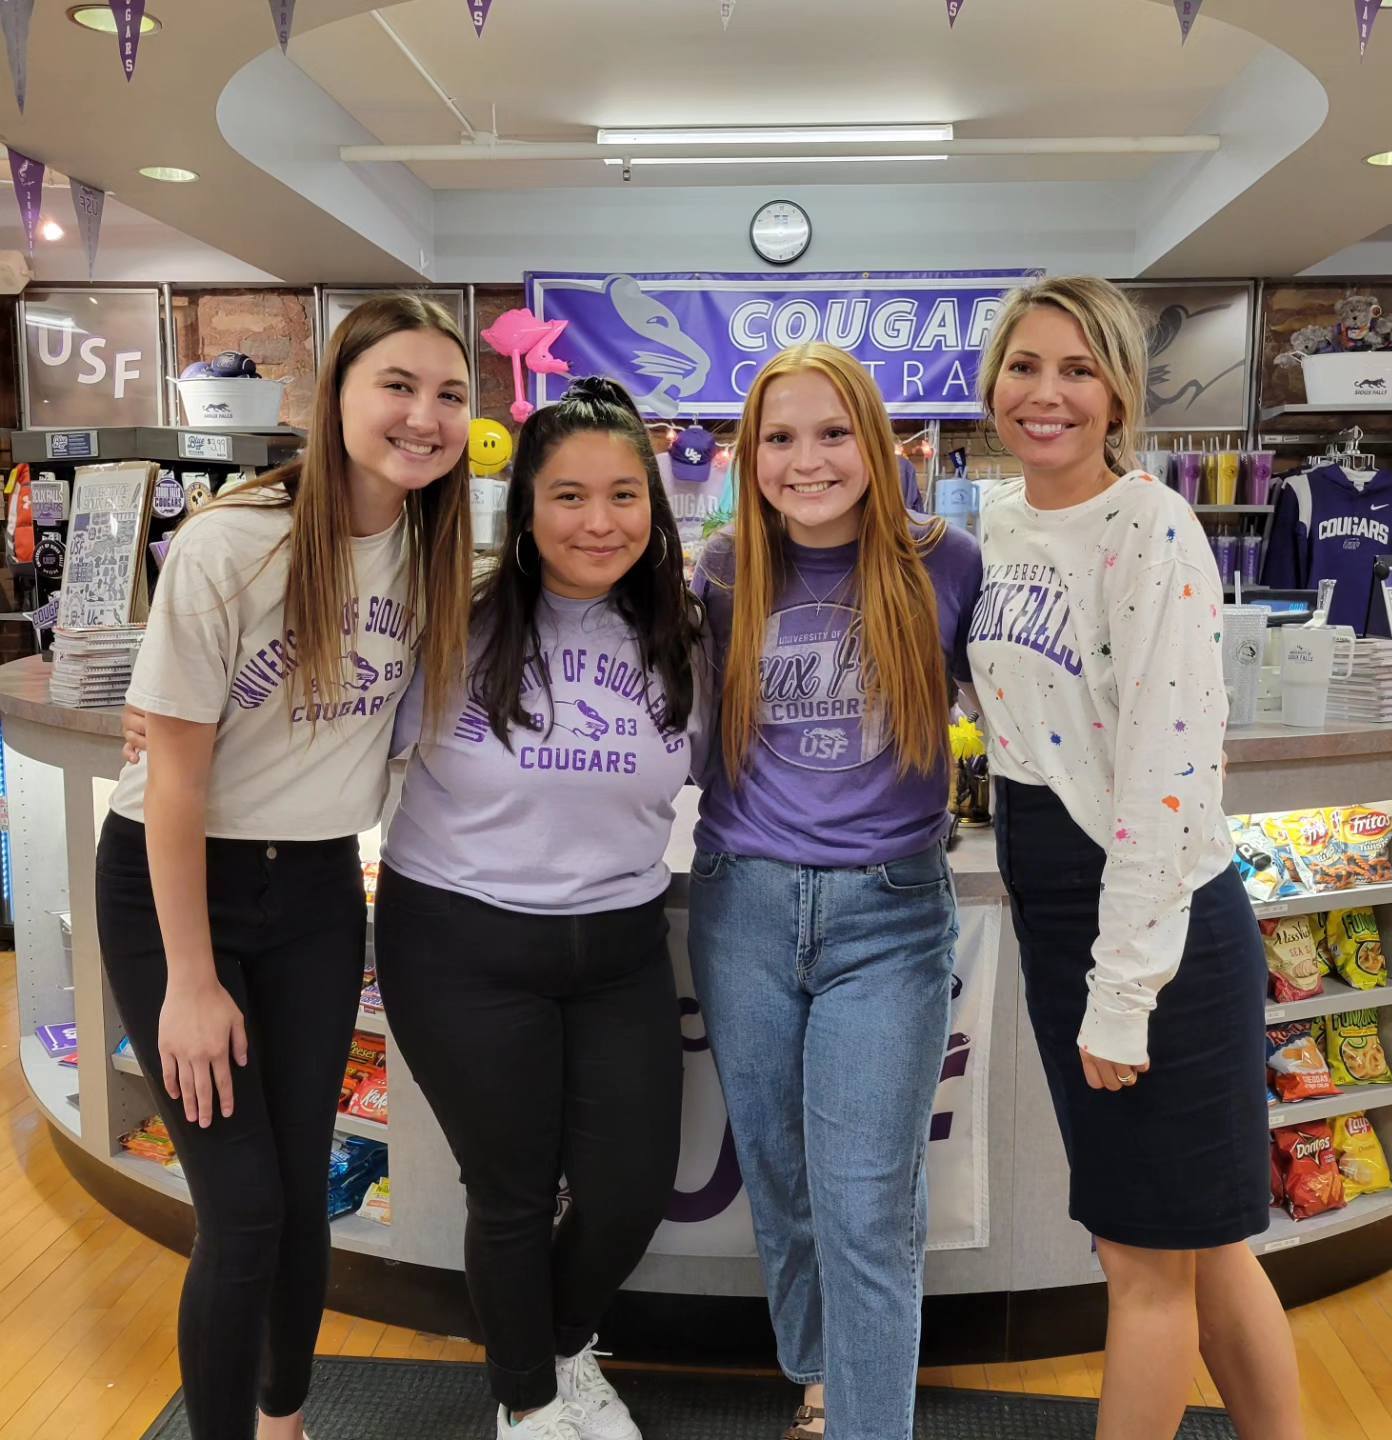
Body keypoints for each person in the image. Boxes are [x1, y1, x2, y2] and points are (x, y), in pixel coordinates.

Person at [97, 295, 474, 1440]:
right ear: (337, 394)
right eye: (397, 386)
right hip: (175, 889)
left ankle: (285, 1421)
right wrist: (190, 981)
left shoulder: (436, 556)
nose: (424, 416)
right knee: (245, 1210)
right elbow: (173, 783)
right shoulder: (232, 543)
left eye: (449, 394)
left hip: (314, 890)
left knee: (301, 1194)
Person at [970, 275, 1304, 1439]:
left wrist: (1123, 993)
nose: (1047, 392)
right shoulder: (1000, 526)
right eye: (1025, 366)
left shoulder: (1152, 528)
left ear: (1119, 393)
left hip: (1157, 930)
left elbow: (1170, 774)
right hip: (1062, 912)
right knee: (1198, 1246)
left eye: (1079, 369)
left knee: (1141, 1261)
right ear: (993, 385)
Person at [374, 377, 709, 1440]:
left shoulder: (685, 633)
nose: (598, 522)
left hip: (618, 948)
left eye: (623, 495)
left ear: (653, 507)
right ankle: (527, 1404)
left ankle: (557, 1355)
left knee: (629, 1190)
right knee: (511, 1193)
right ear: (524, 509)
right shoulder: (451, 623)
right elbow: (334, 718)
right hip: (457, 941)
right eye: (568, 496)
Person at [686, 343, 981, 1440]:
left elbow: (1032, 703)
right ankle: (818, 1380)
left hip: (889, 919)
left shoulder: (948, 563)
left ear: (877, 443)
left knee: (866, 1205)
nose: (806, 460)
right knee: (779, 1179)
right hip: (743, 907)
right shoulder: (723, 571)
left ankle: (865, 1424)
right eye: (779, 437)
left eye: (832, 433)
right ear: (748, 455)